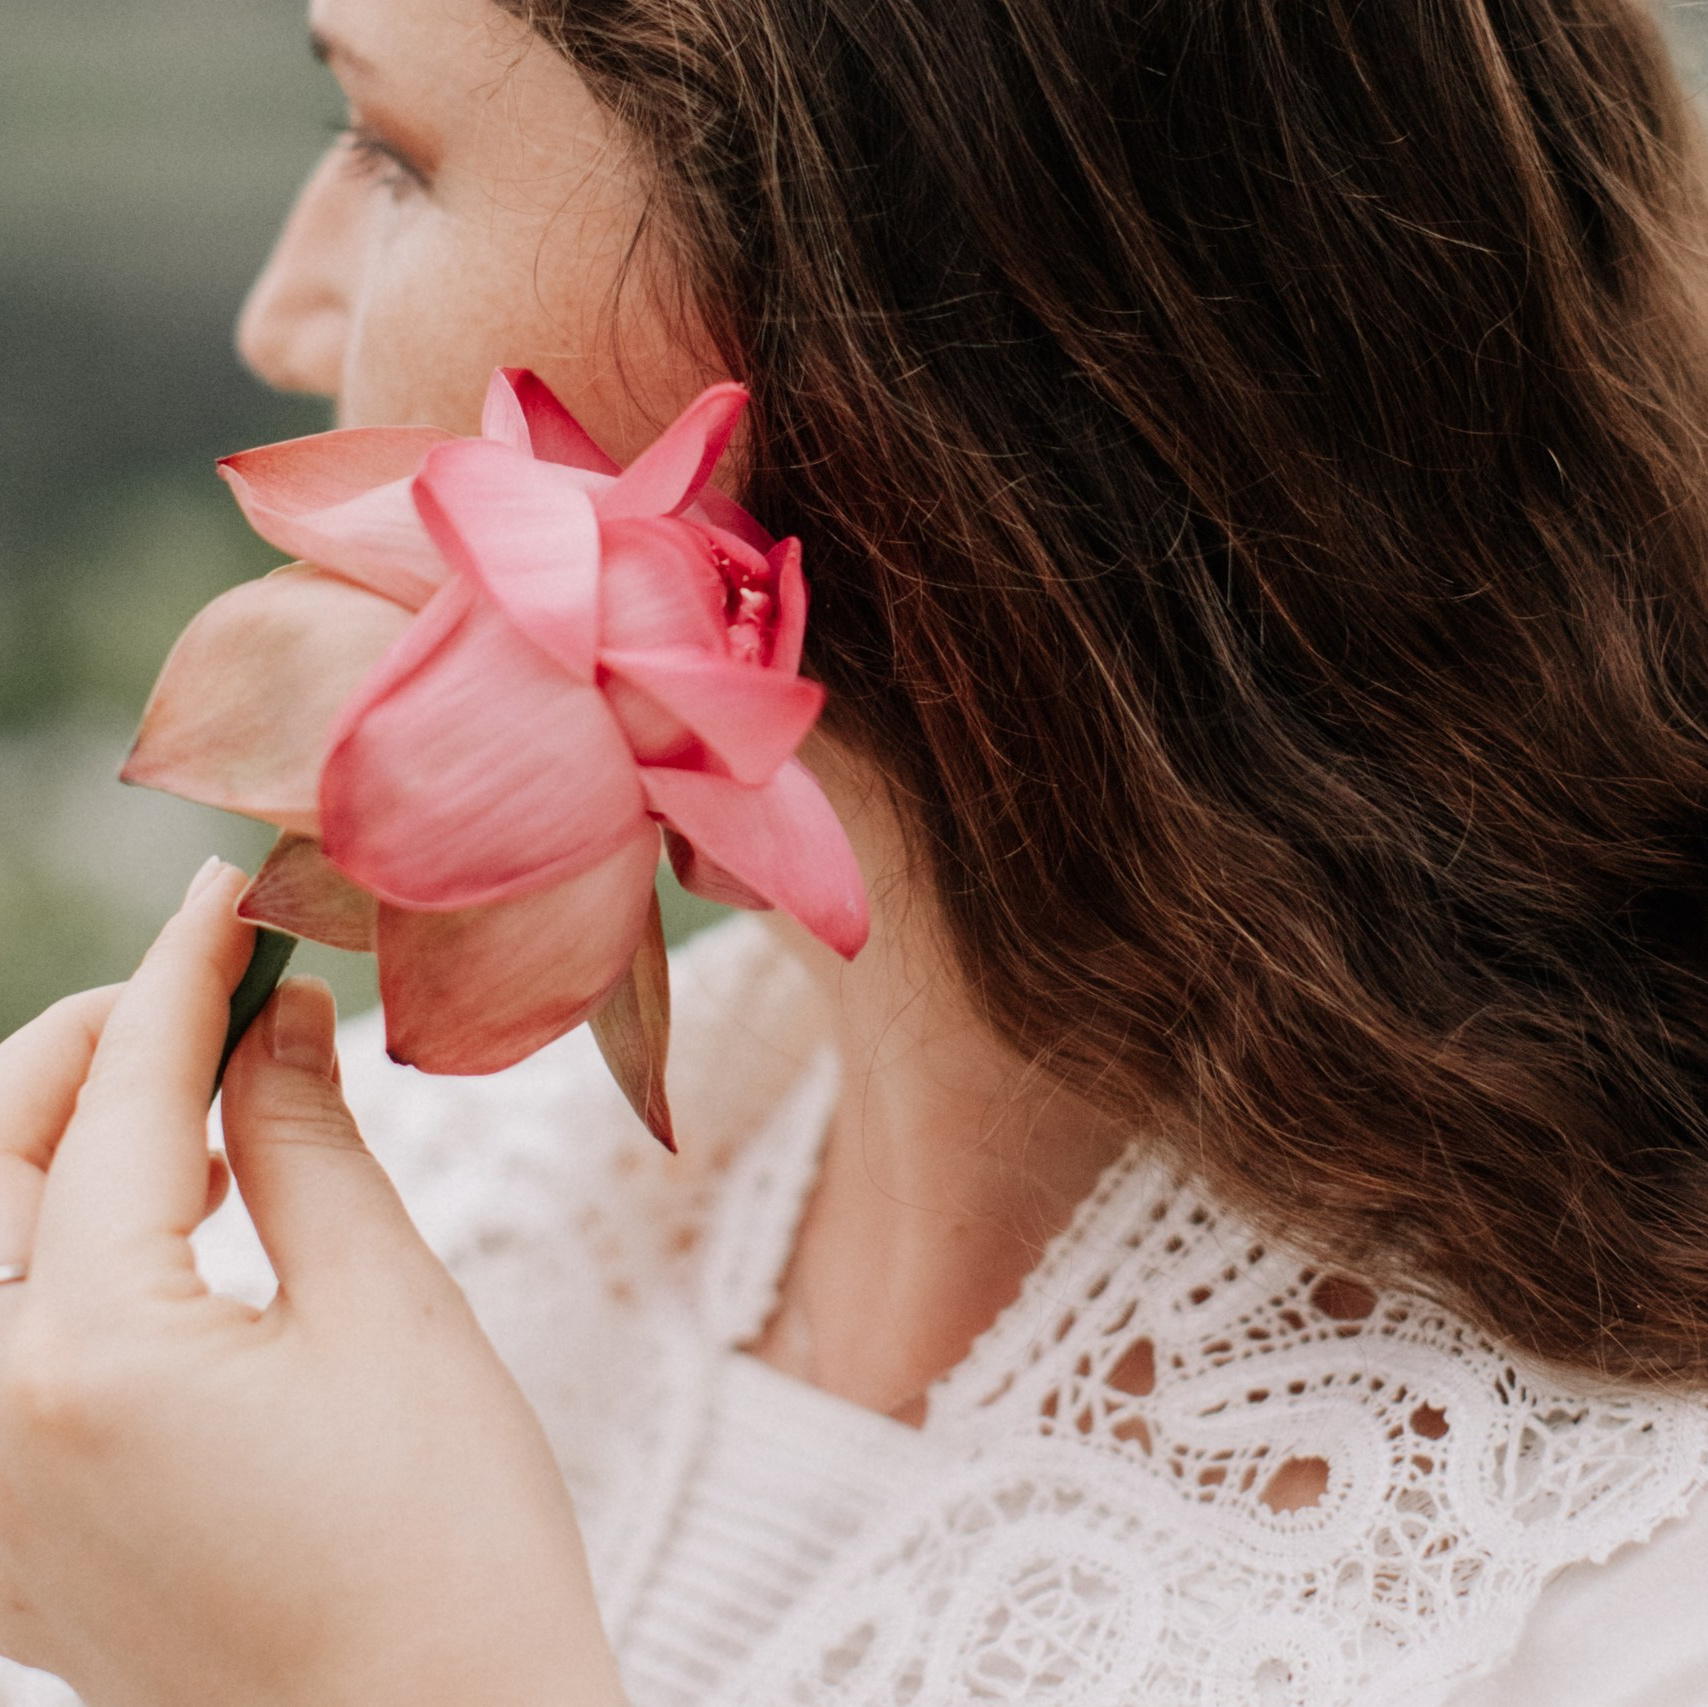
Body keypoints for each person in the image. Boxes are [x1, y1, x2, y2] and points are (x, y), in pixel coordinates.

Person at [2, 0, 1708, 1700]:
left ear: (893, 318)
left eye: (391, 151)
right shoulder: (432, 1205)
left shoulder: (1627, 1588)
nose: (282, 313)